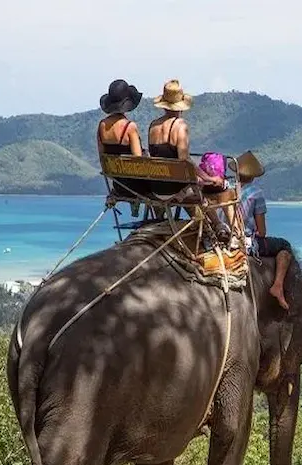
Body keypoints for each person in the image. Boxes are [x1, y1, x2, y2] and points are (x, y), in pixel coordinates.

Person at [148, 79, 234, 240]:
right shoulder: (180, 126)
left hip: (156, 186)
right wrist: (208, 178)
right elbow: (184, 160)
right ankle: (217, 227)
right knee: (207, 190)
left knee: (192, 186)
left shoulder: (153, 125)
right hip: (174, 187)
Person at [237, 151, 292, 310]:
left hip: (222, 239)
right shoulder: (256, 194)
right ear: (253, 176)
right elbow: (262, 232)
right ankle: (278, 286)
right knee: (284, 246)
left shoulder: (228, 190)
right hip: (245, 243)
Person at [97, 79, 143, 157]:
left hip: (110, 169)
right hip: (128, 169)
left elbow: (102, 156)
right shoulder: (130, 127)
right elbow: (138, 158)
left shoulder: (102, 125)